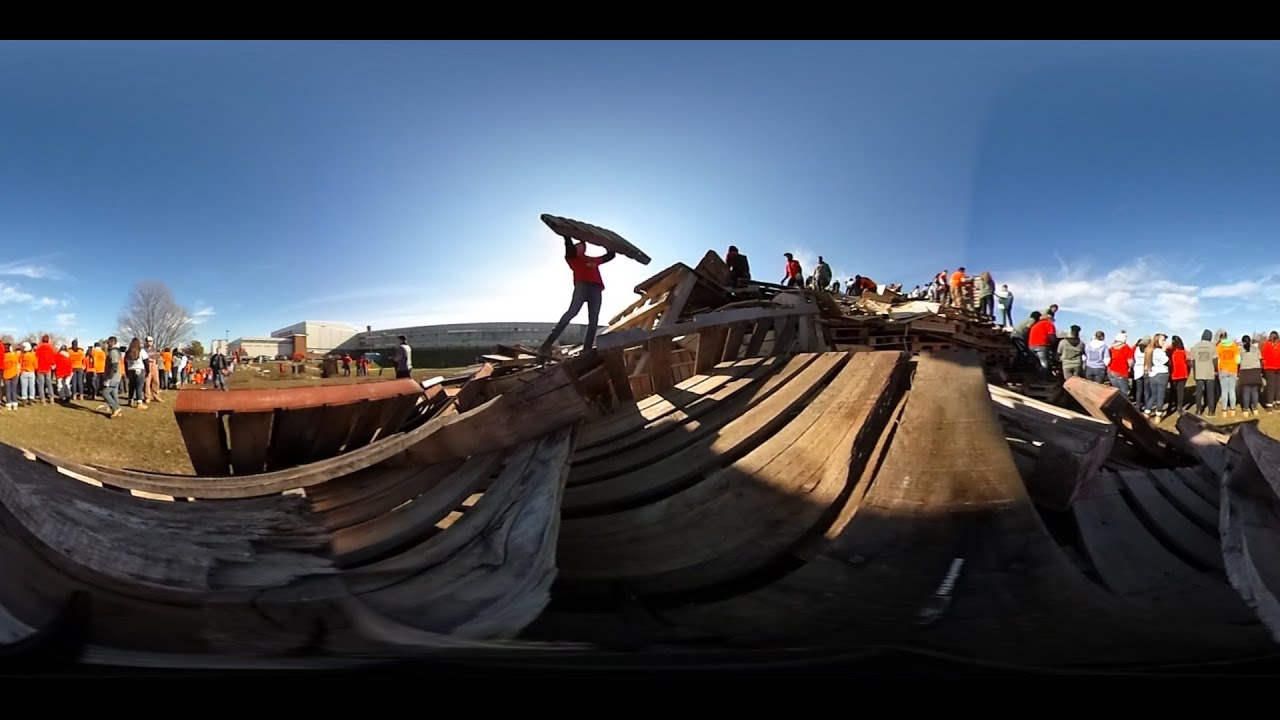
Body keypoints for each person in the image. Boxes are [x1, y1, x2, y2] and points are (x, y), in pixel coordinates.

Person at [540, 236, 617, 354]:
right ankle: (547, 344)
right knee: (572, 313)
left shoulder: (591, 259)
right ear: (575, 249)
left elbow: (610, 255)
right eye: (579, 245)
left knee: (594, 319)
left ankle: (587, 349)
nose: (582, 245)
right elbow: (569, 245)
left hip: (596, 289)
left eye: (583, 245)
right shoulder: (572, 258)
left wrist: (606, 243)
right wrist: (567, 235)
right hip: (582, 287)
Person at [1188, 329, 1217, 416]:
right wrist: (1214, 369)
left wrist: (1195, 371)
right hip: (1209, 372)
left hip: (1199, 372)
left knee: (1199, 392)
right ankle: (1211, 411)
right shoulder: (1213, 346)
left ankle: (1199, 410)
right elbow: (1215, 360)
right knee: (1210, 392)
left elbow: (1192, 361)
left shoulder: (1195, 346)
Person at [1216, 329, 1240, 417]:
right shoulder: (1234, 345)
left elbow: (1217, 360)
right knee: (1232, 390)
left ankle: (1224, 411)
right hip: (1233, 369)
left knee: (1224, 391)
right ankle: (1233, 409)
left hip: (1223, 369)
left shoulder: (1219, 346)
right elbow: (1238, 360)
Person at [1239, 334, 1263, 416]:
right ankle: (1255, 409)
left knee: (1246, 391)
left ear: (1243, 342)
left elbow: (1238, 361)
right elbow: (1260, 359)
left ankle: (1245, 410)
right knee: (1254, 391)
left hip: (1245, 371)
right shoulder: (1256, 349)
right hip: (1255, 371)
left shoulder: (1241, 350)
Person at [1168, 335, 1189, 416]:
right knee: (1181, 391)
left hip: (1174, 373)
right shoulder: (1183, 351)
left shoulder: (1170, 350)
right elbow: (1185, 360)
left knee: (1173, 391)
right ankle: (1179, 408)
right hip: (1183, 373)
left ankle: (1170, 406)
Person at [1263, 330, 1280, 410]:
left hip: (1269, 367)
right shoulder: (1279, 344)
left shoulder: (1267, 345)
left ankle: (1270, 404)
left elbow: (1263, 356)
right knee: (1278, 386)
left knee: (1271, 386)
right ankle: (1278, 402)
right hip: (1278, 367)